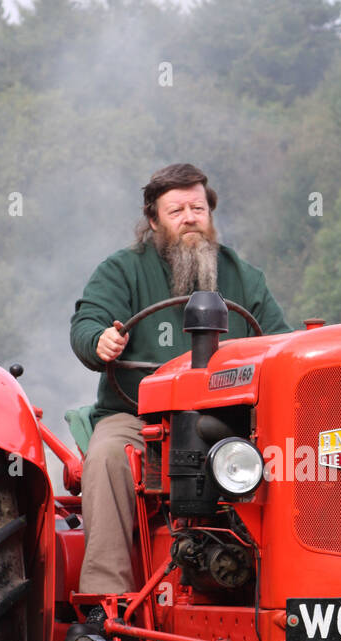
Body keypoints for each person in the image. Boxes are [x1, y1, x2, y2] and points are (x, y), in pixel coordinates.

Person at [69, 163, 290, 595]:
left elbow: (280, 343)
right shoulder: (122, 270)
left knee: (298, 458)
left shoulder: (244, 277)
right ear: (153, 221)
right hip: (141, 419)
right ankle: (105, 595)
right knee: (110, 457)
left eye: (198, 207)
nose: (190, 217)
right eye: (177, 211)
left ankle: (289, 583)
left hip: (235, 425)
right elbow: (87, 322)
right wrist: (100, 341)